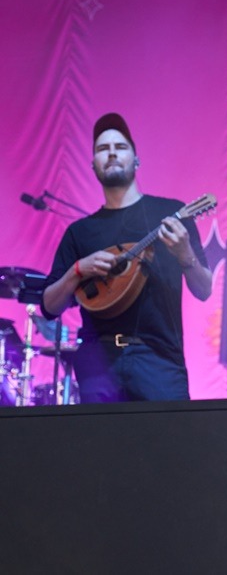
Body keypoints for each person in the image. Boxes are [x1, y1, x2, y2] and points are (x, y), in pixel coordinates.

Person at [40, 113, 213, 403]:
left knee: (169, 434)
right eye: (102, 149)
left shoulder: (170, 214)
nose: (111, 154)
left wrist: (185, 253)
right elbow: (48, 307)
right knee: (101, 436)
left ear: (136, 160)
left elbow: (204, 289)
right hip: (97, 362)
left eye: (120, 147)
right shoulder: (79, 232)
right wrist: (77, 270)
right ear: (93, 165)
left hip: (160, 360)